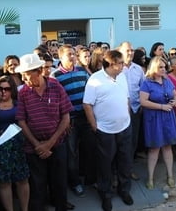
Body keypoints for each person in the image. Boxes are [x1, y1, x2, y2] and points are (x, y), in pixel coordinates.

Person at [15, 53, 73, 211]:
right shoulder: (23, 92)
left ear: (39, 71)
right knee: (37, 185)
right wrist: (38, 145)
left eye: (27, 75)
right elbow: (21, 120)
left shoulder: (55, 86)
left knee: (59, 183)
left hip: (58, 144)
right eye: (22, 76)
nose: (24, 80)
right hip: (34, 149)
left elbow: (66, 117)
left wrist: (49, 143)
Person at [83, 50, 133, 211]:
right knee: (105, 165)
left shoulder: (123, 76)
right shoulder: (95, 80)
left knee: (125, 162)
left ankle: (124, 190)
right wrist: (94, 126)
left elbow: (126, 98)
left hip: (124, 127)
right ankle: (106, 194)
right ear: (111, 64)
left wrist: (126, 115)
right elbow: (87, 104)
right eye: (120, 63)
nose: (123, 66)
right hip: (104, 130)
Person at [52, 44, 95, 196]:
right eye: (69, 54)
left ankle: (90, 179)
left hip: (86, 117)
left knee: (89, 149)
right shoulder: (55, 76)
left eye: (74, 54)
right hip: (69, 121)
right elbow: (56, 102)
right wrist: (65, 120)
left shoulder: (83, 71)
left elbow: (92, 90)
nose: (73, 57)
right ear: (60, 57)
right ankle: (75, 182)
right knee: (71, 154)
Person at [0, 75, 30, 211]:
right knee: (4, 182)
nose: (3, 92)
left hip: (18, 145)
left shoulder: (18, 103)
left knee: (22, 179)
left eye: (7, 89)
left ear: (12, 90)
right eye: (0, 89)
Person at [140, 56, 176, 189]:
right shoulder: (147, 83)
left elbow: (175, 94)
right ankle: (150, 178)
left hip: (168, 116)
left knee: (168, 147)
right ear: (154, 68)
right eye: (160, 67)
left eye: (164, 67)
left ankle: (170, 176)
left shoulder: (167, 80)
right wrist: (161, 107)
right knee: (154, 148)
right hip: (154, 118)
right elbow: (143, 101)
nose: (163, 69)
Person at [118, 41, 145, 180]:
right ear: (120, 52)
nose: (130, 53)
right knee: (119, 144)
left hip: (135, 110)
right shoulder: (116, 68)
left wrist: (141, 105)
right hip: (119, 112)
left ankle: (128, 170)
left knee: (132, 142)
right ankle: (118, 172)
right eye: (127, 50)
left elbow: (143, 88)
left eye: (132, 50)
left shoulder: (139, 69)